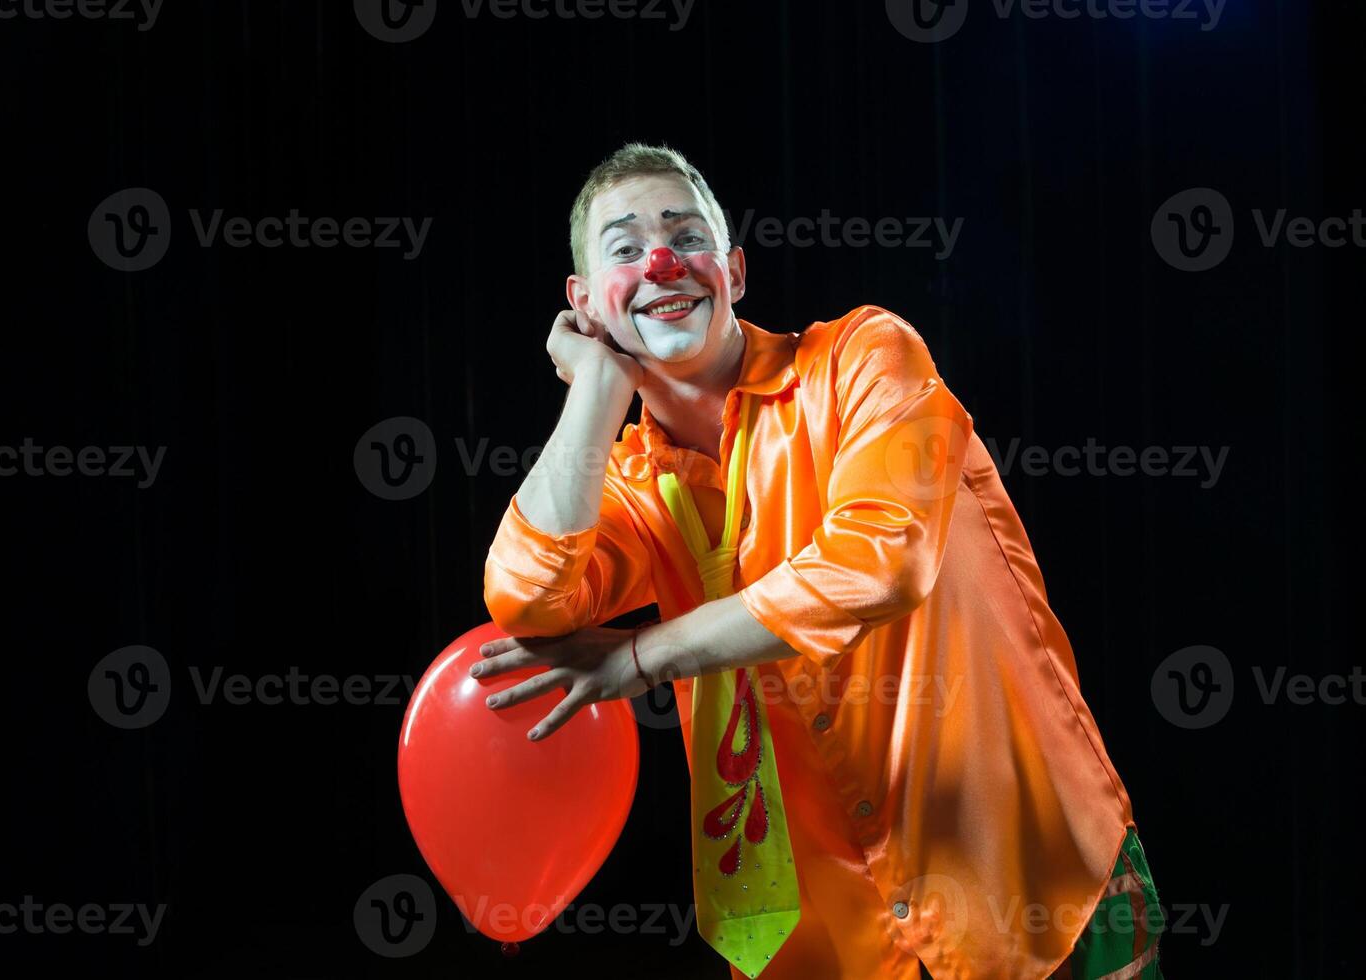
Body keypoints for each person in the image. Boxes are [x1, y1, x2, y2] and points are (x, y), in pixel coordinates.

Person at [472, 142, 1164, 980]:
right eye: (624, 248)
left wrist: (642, 656)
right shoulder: (623, 487)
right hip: (825, 948)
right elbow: (529, 599)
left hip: (1036, 890)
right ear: (584, 306)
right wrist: (593, 391)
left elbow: (878, 562)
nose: (662, 260)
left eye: (686, 236)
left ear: (732, 269)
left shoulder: (865, 359)